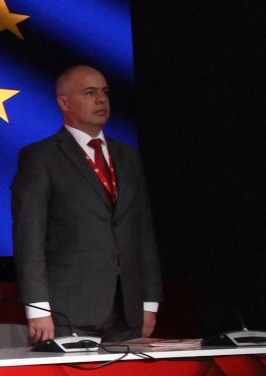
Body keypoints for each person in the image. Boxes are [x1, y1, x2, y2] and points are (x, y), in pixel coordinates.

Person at [12, 65, 161, 343]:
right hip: (68, 310)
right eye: (90, 93)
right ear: (64, 102)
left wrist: (150, 301)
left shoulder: (128, 156)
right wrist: (38, 308)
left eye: (104, 92)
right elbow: (29, 238)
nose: (101, 99)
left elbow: (143, 230)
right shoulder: (42, 157)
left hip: (127, 310)